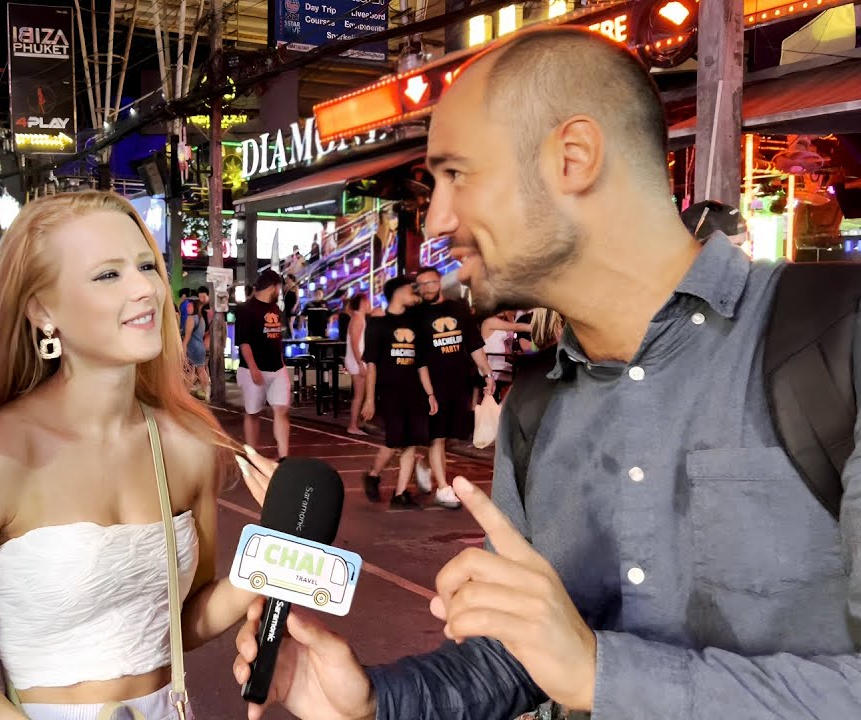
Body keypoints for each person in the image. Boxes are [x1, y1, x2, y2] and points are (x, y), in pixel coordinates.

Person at [233, 26, 861, 719]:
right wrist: (380, 702)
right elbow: (521, 656)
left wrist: (599, 673)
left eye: (456, 174)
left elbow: (573, 662)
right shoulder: (535, 406)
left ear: (574, 156)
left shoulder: (837, 343)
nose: (437, 219)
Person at [0, 191, 270, 720]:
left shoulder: (189, 444)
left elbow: (183, 620)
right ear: (42, 309)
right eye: (108, 275)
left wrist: (269, 559)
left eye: (146, 265)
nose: (145, 288)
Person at [411, 266, 494, 509]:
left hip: (459, 384)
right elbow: (416, 358)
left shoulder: (458, 309)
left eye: (430, 282)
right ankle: (443, 488)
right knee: (437, 436)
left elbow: (474, 345)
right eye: (421, 284)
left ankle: (424, 464)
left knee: (450, 437)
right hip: (431, 386)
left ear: (439, 283)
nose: (426, 288)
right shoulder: (416, 316)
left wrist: (487, 372)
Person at [360, 275, 437, 510]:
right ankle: (373, 474)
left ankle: (400, 493)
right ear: (396, 292)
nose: (414, 292)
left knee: (412, 442)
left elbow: (421, 362)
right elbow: (371, 364)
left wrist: (430, 394)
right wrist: (370, 399)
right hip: (390, 390)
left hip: (414, 391)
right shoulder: (378, 325)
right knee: (395, 440)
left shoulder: (415, 323)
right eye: (409, 289)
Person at [235, 269, 291, 460]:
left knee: (281, 410)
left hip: (277, 368)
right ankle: (252, 454)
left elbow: (276, 340)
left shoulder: (275, 309)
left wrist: (282, 363)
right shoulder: (245, 309)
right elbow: (244, 343)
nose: (279, 292)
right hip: (253, 369)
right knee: (252, 413)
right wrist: (253, 369)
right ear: (274, 287)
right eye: (279, 288)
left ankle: (283, 456)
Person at [341, 293, 370, 436]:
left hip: (355, 359)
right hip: (356, 360)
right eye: (367, 302)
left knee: (361, 394)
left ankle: (357, 422)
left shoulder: (356, 316)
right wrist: (360, 363)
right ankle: (353, 425)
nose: (370, 304)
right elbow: (354, 342)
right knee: (359, 395)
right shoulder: (358, 318)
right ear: (363, 303)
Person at [182, 297, 209, 399]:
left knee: (190, 370)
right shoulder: (201, 319)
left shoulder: (191, 318)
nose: (187, 307)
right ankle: (204, 391)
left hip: (192, 347)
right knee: (201, 369)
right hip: (200, 347)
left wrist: (183, 347)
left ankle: (186, 392)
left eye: (190, 305)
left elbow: (187, 336)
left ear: (194, 307)